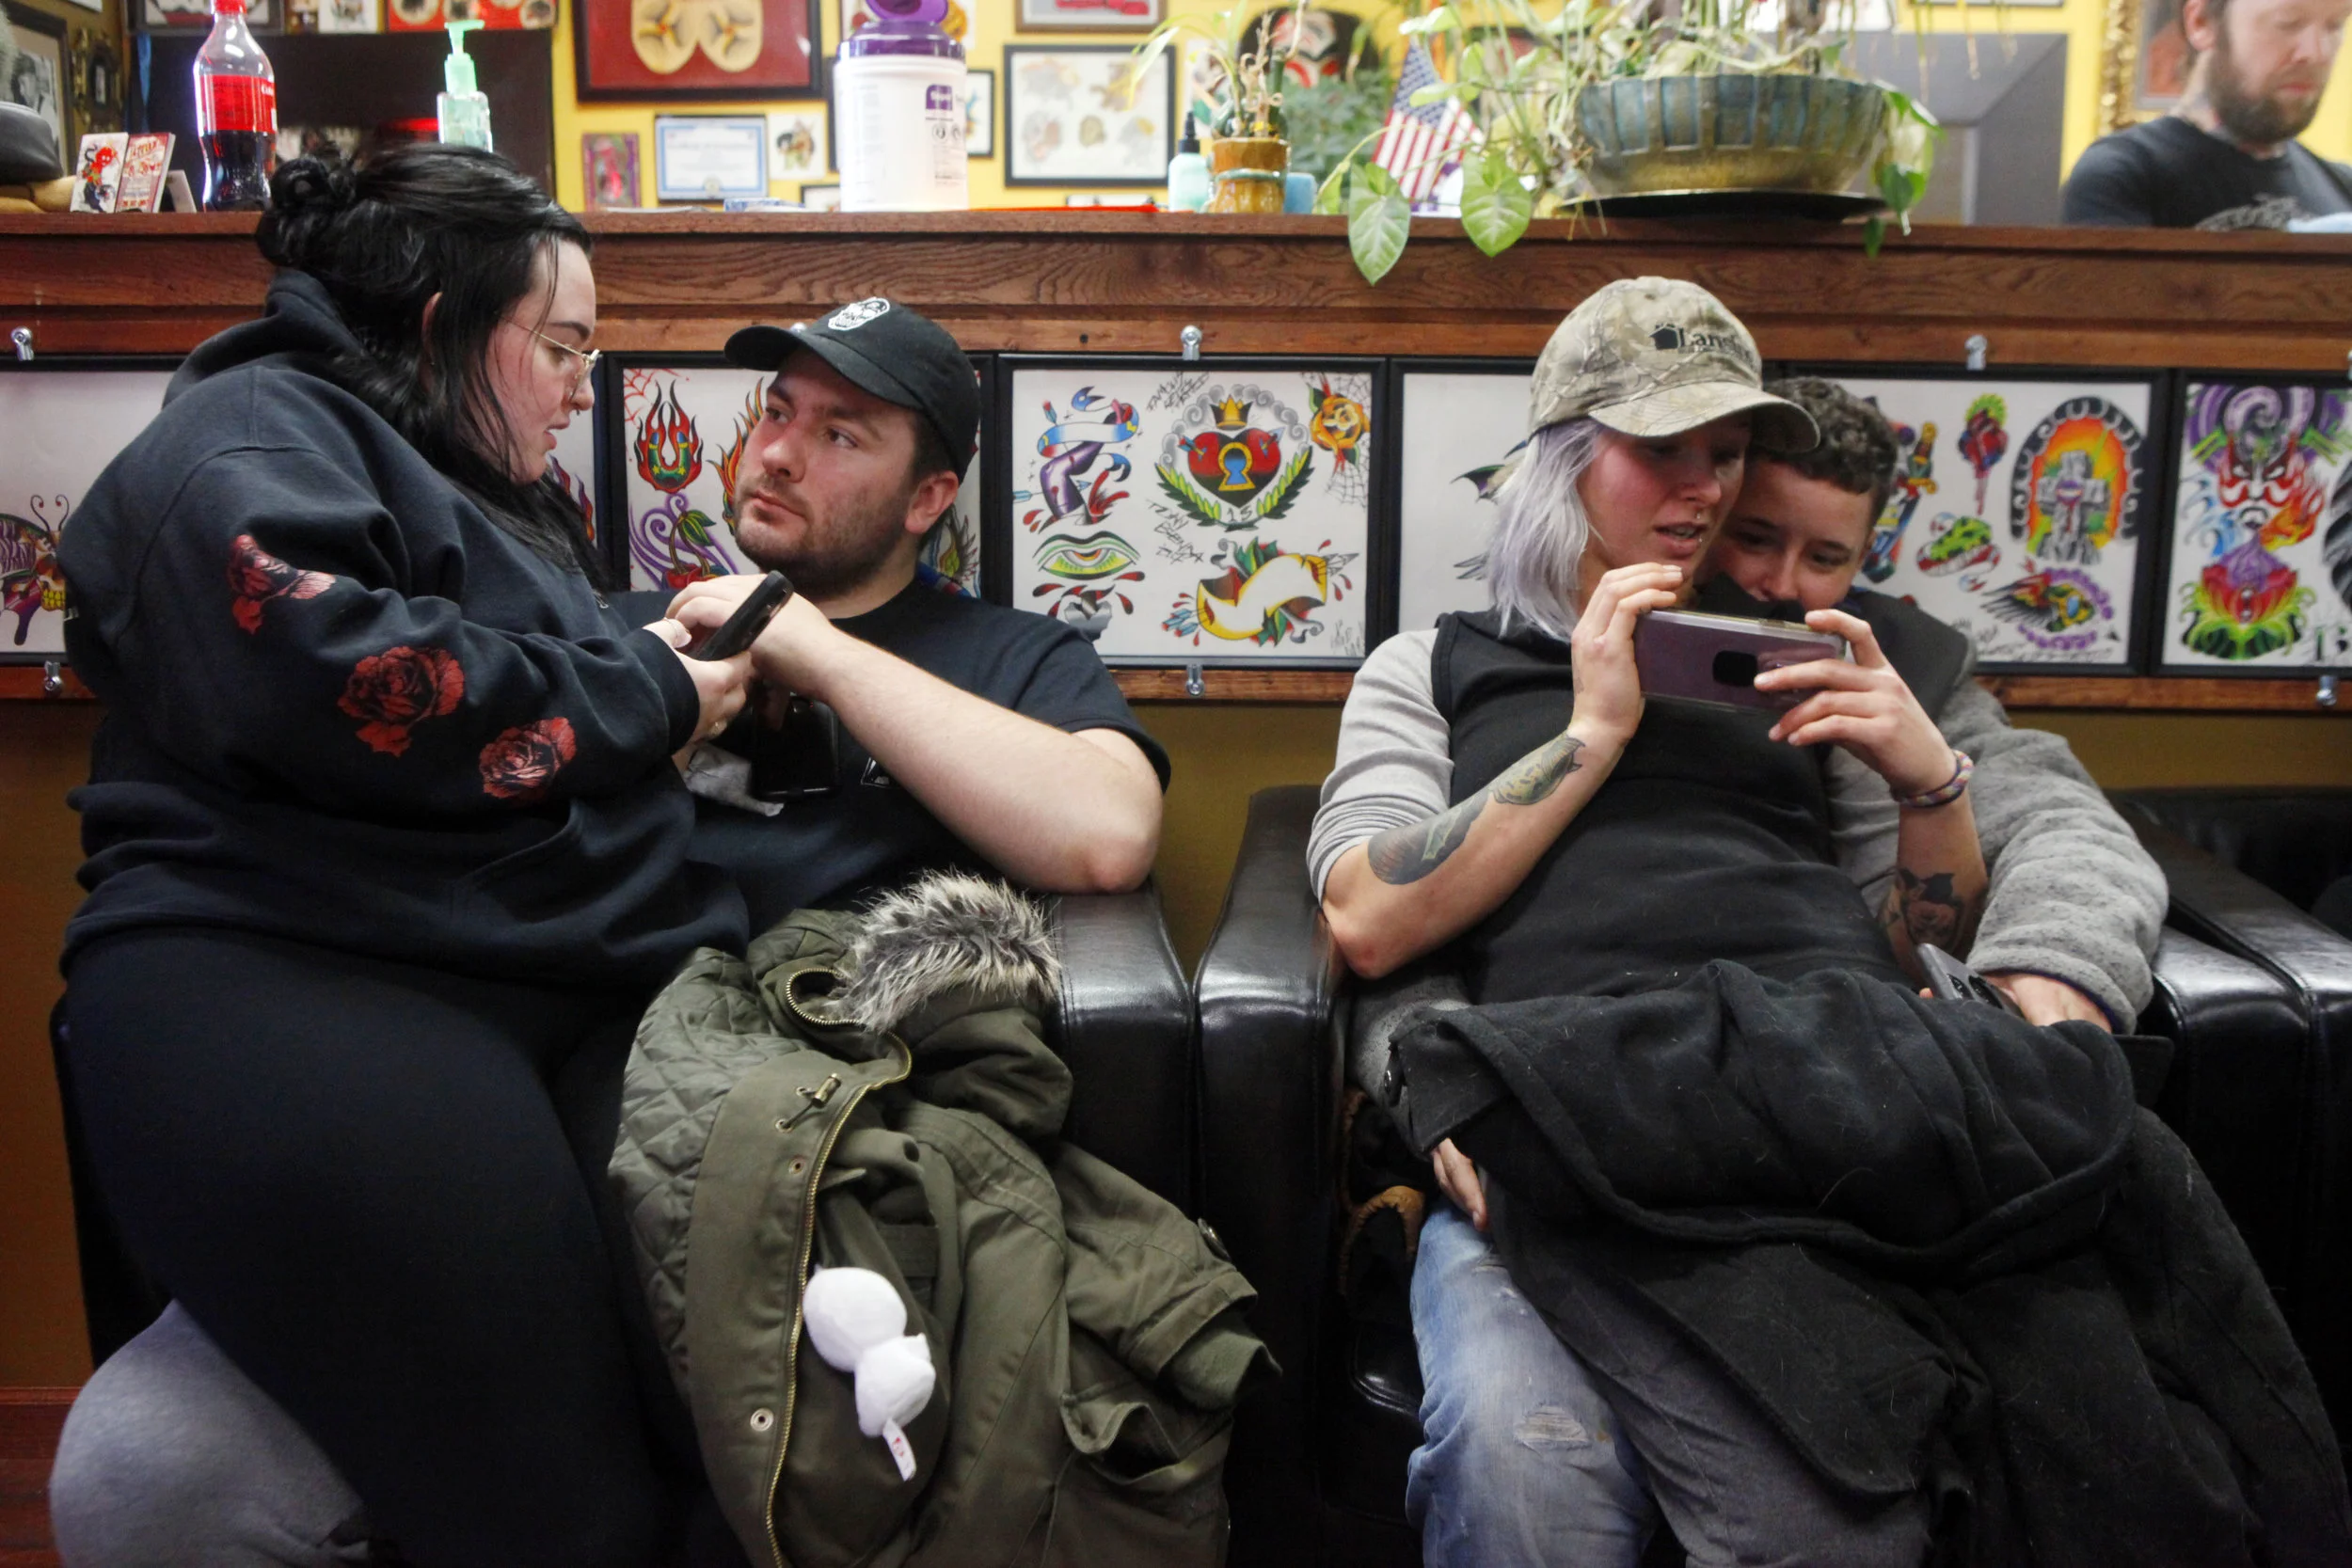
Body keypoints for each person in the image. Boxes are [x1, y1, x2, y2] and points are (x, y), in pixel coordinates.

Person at [47, 146, 753, 1568]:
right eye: (559, 344)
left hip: (475, 966)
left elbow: (525, 658)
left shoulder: (480, 476)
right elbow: (347, 674)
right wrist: (657, 690)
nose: (580, 384)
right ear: (438, 323)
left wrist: (653, 658)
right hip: (287, 976)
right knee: (552, 1507)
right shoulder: (245, 435)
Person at [1310, 277, 1995, 1566]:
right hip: (1566, 1116)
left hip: (1806, 1118)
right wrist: (1593, 730)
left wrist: (1928, 781)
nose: (1701, 487)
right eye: (1660, 450)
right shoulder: (1435, 663)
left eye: (1724, 453)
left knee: (1828, 1519)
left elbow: (1919, 945)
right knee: (1523, 1467)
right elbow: (1365, 915)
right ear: (1568, 457)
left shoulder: (1800, 657)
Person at [646, 298, 1167, 928]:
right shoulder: (644, 630)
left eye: (839, 435)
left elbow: (1112, 841)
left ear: (926, 499)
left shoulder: (1019, 658)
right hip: (631, 1005)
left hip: (859, 1005)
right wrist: (654, 707)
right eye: (776, 413)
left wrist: (826, 657)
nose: (777, 454)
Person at [1705, 376, 2166, 1031]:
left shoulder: (1912, 666)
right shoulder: (1604, 635)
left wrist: (2047, 965)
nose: (1780, 583)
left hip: (1842, 1013)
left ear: (1864, 557)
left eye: (1825, 558)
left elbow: (2066, 826)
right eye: (1754, 538)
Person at [2062, 0, 2352, 228]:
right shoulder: (2126, 174)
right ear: (2201, 23)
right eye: (2287, 23)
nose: (2317, 53)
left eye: (2335, 25)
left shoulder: (2343, 187)